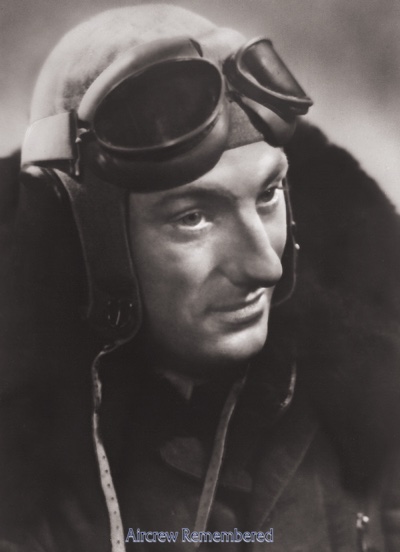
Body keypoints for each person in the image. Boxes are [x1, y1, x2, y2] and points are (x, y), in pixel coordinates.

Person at [0, 4, 399, 551]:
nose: (265, 265)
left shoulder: (371, 419)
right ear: (87, 240)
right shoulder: (19, 484)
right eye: (193, 217)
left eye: (267, 194)